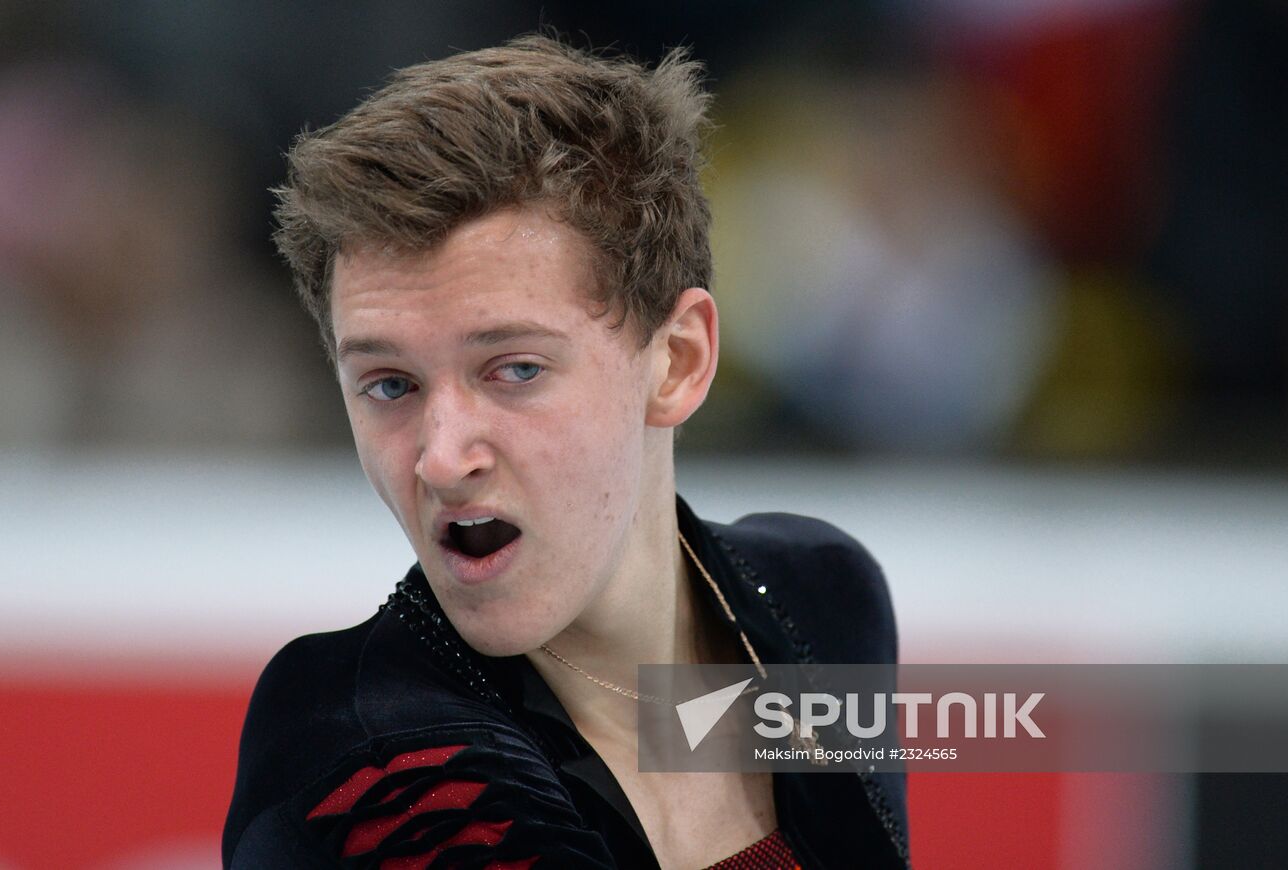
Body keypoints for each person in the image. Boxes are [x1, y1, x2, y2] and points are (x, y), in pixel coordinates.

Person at [223, 35, 907, 869]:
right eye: (391, 385)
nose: (442, 458)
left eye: (514, 369)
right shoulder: (360, 745)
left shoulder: (824, 599)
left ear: (678, 360)